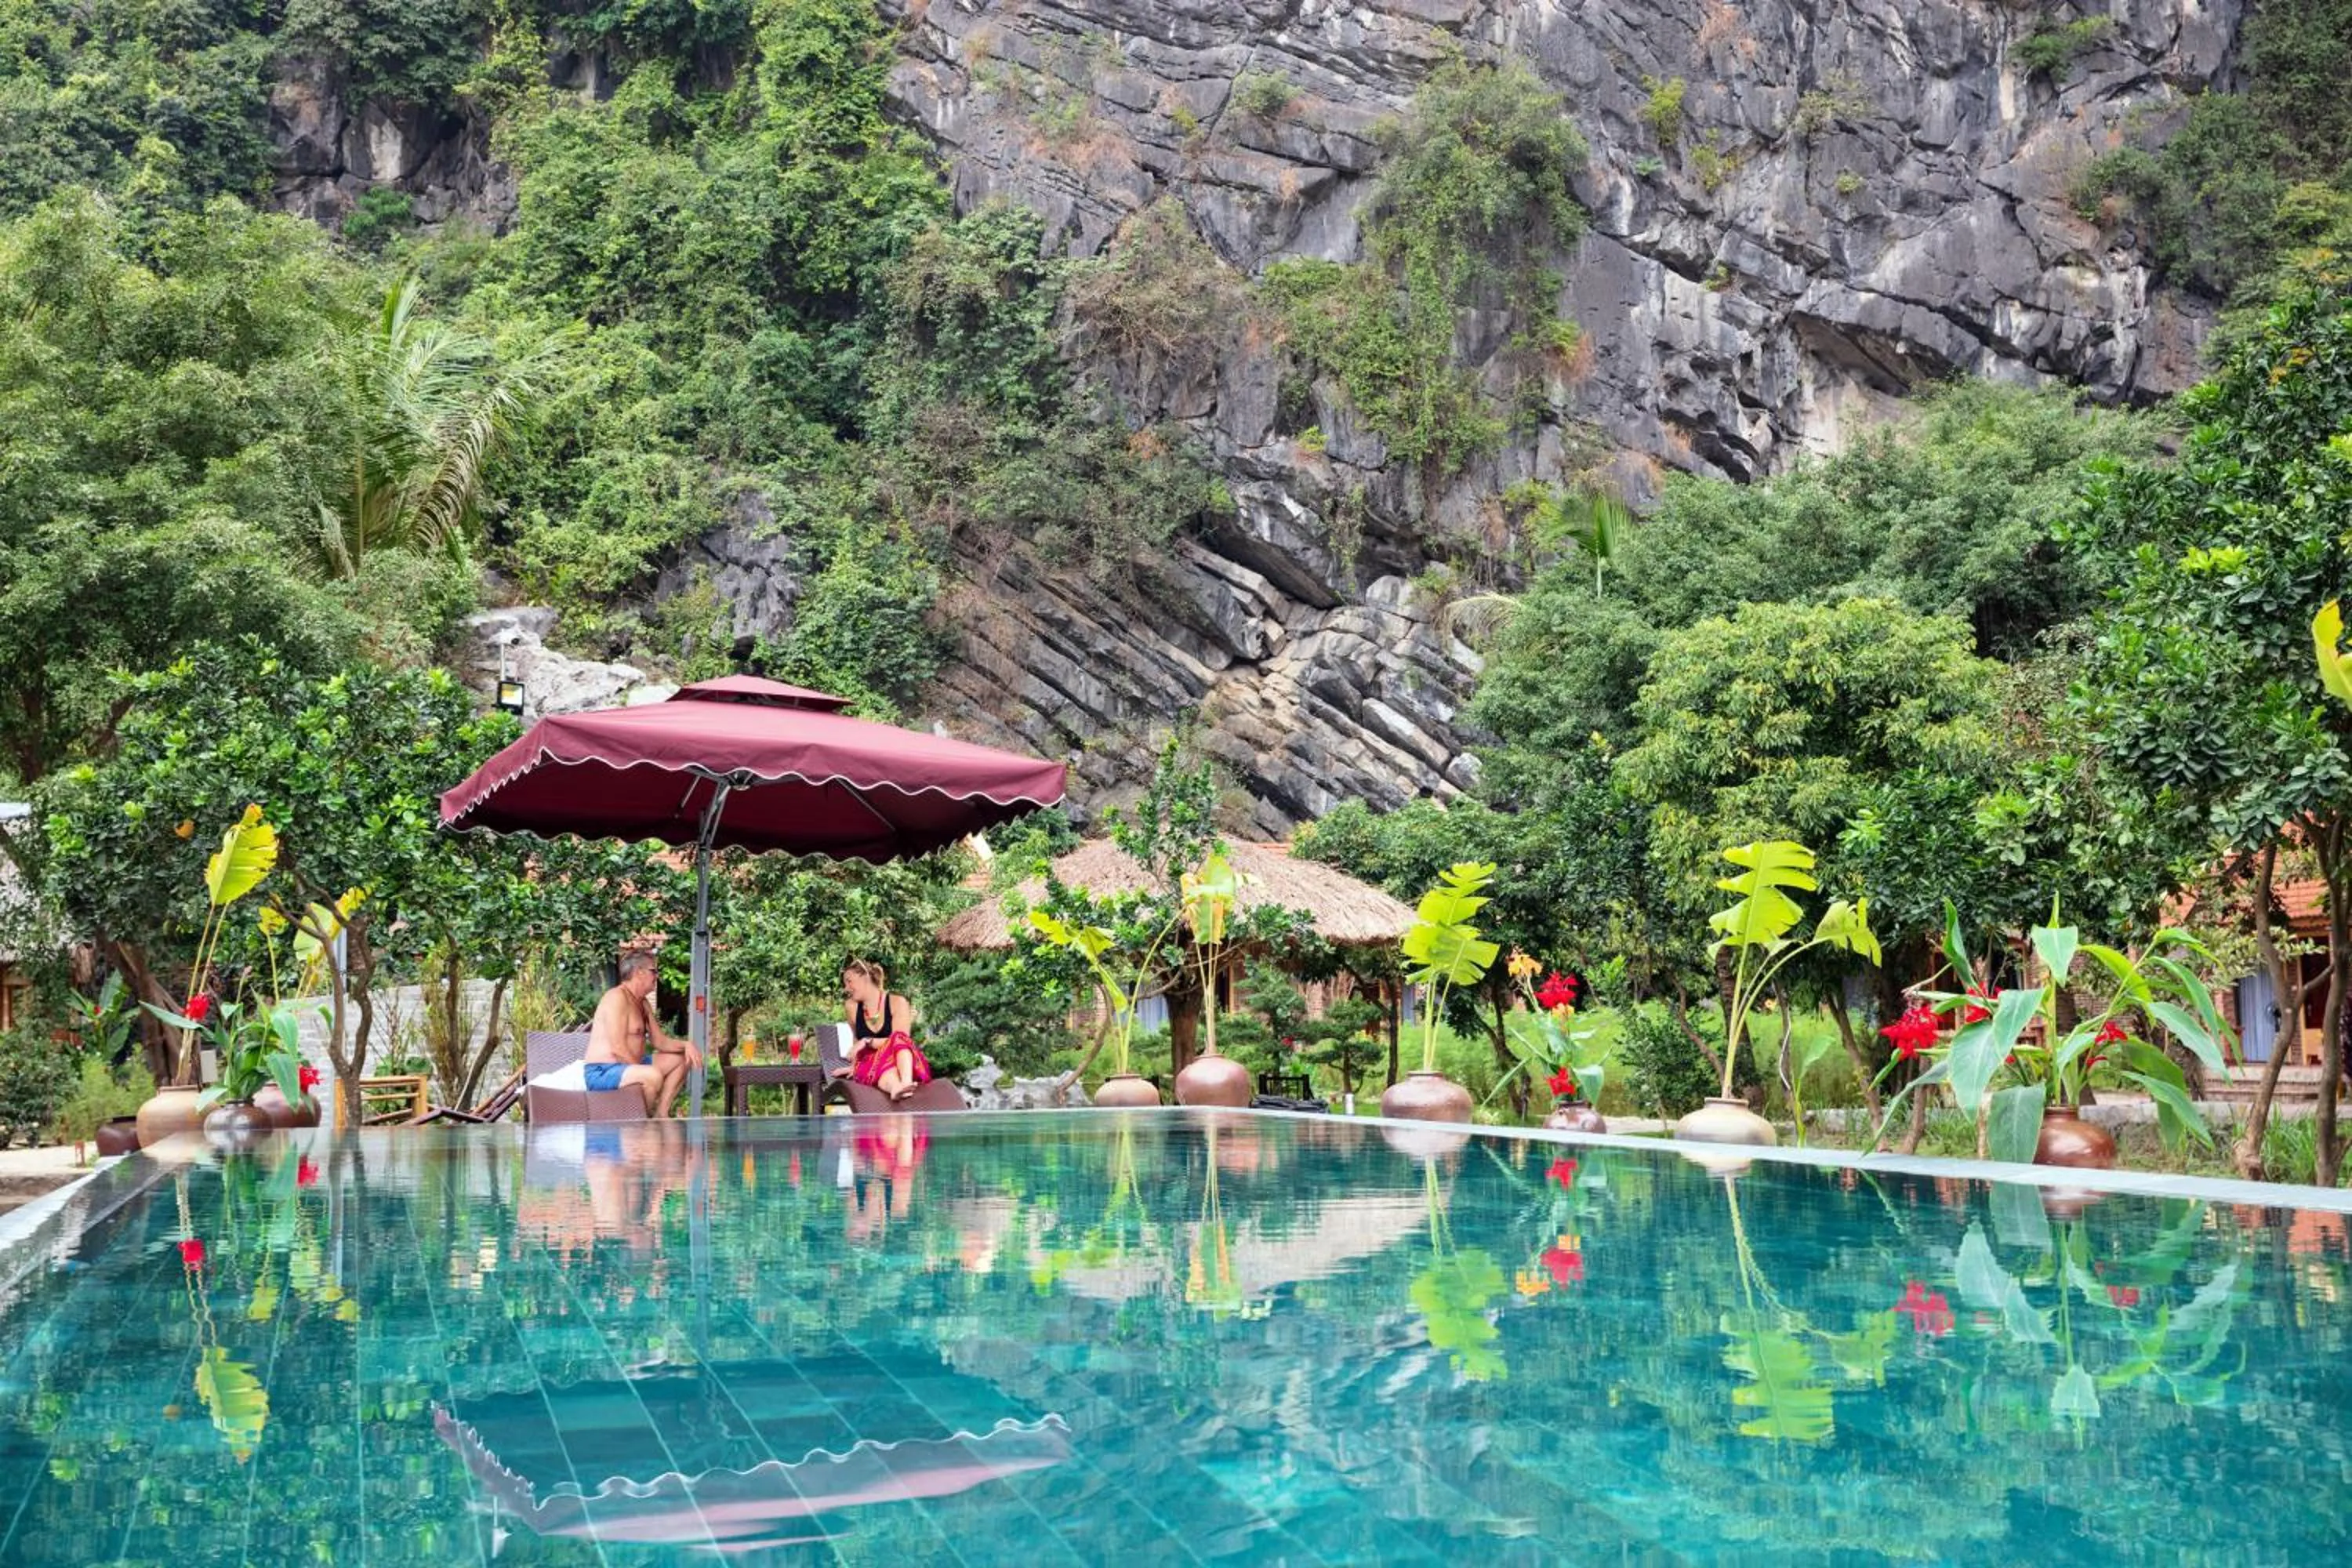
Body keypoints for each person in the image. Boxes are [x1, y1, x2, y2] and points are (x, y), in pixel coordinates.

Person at [585, 951, 702, 1116]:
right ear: (639, 972)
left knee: (681, 1059)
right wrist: (643, 1070)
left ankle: (661, 1114)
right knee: (652, 1075)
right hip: (603, 1071)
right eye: (654, 971)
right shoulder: (616, 997)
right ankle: (640, 1122)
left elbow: (660, 1042)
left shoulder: (642, 1003)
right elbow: (618, 1048)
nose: (657, 976)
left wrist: (686, 1045)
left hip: (629, 1066)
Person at [838, 958, 931, 1101]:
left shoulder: (897, 1003)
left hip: (901, 1061)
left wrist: (867, 1041)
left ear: (865, 978)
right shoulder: (851, 1007)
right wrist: (854, 1065)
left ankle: (905, 1084)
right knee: (885, 1069)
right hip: (871, 1064)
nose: (846, 988)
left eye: (849, 981)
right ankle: (896, 1089)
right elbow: (856, 1039)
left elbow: (902, 1041)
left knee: (899, 1040)